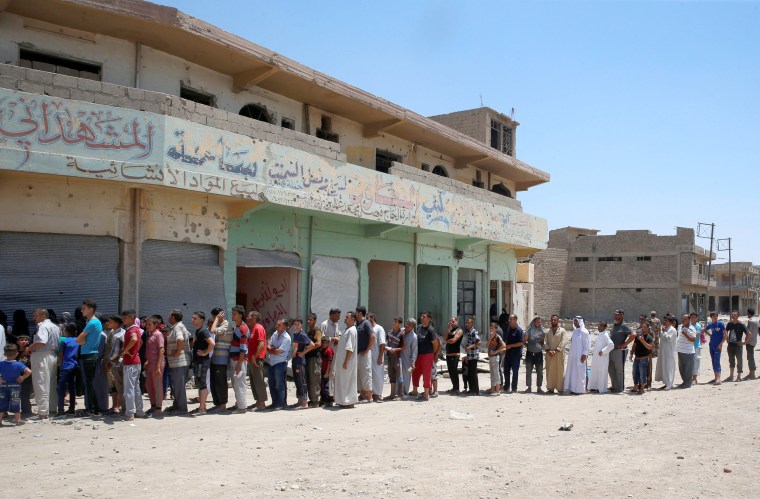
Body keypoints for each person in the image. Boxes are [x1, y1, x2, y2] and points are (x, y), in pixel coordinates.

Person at [29, 308, 60, 419]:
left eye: (35, 316)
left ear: (43, 316)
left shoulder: (43, 326)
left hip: (41, 355)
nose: (34, 318)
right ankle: (52, 408)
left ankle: (42, 412)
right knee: (51, 383)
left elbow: (41, 341)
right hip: (52, 355)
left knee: (41, 383)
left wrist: (29, 348)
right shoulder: (56, 327)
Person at [75, 299, 101, 415]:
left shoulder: (92, 323)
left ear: (91, 309)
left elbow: (78, 339)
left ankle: (90, 409)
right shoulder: (94, 322)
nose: (82, 311)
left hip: (88, 355)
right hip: (91, 354)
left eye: (84, 308)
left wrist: (82, 341)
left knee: (87, 383)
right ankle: (93, 408)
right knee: (89, 383)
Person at [120, 310, 146, 421]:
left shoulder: (131, 330)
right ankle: (139, 411)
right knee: (136, 388)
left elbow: (135, 339)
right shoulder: (137, 329)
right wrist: (135, 351)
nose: (123, 320)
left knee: (129, 388)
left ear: (131, 317)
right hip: (136, 361)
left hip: (130, 363)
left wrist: (125, 350)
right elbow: (140, 342)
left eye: (125, 318)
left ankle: (129, 413)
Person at [165, 309, 191, 414]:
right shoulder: (178, 326)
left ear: (173, 317)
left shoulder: (178, 327)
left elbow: (180, 339)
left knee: (179, 386)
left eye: (169, 315)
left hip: (180, 361)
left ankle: (182, 408)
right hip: (178, 362)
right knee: (176, 385)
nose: (167, 317)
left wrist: (178, 351)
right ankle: (177, 405)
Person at [0, 344, 32, 426]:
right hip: (15, 385)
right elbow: (29, 371)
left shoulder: (1, 364)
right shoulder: (18, 364)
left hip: (3, 385)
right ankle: (18, 420)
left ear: (4, 354)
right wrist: (22, 377)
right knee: (15, 402)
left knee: (2, 402)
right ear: (17, 353)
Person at [411, 311, 439, 401]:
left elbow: (435, 344)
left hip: (427, 354)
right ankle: (415, 390)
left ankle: (426, 394)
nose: (421, 318)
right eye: (422, 316)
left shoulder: (431, 330)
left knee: (426, 374)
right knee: (415, 372)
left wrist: (433, 353)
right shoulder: (419, 327)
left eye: (424, 317)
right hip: (418, 354)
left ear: (429, 319)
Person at [333, 311, 358, 408]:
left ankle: (348, 401)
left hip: (347, 362)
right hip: (342, 361)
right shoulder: (347, 330)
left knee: (347, 381)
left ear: (352, 319)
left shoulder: (351, 331)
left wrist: (346, 361)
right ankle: (342, 400)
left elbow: (350, 348)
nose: (344, 318)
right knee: (342, 381)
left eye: (347, 317)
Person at [191, 311, 214, 415]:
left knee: (202, 384)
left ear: (202, 320)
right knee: (200, 383)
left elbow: (212, 343)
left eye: (195, 318)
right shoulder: (198, 331)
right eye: (193, 318)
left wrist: (205, 353)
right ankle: (202, 406)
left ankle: (202, 408)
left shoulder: (203, 331)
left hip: (202, 362)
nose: (193, 320)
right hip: (198, 361)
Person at [209, 307, 231, 411]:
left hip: (221, 358)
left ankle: (222, 404)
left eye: (214, 317)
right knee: (215, 381)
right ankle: (217, 403)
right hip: (215, 357)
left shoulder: (226, 325)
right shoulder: (219, 325)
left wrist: (217, 319)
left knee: (220, 382)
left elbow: (212, 331)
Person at [228, 305, 249, 413]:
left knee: (240, 383)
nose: (233, 315)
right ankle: (239, 404)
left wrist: (238, 364)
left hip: (239, 360)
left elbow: (243, 349)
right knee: (236, 382)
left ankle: (242, 407)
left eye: (235, 314)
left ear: (240, 315)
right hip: (235, 359)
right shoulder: (237, 327)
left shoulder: (243, 329)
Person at [608, 310, 635, 393]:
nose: (615, 316)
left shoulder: (624, 325)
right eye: (615, 314)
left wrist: (624, 344)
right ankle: (614, 385)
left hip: (619, 351)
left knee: (619, 370)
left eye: (617, 314)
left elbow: (633, 334)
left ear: (621, 315)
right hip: (611, 350)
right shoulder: (614, 324)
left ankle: (620, 387)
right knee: (611, 369)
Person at [267, 318, 291, 410]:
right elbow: (269, 345)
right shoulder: (275, 334)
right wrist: (273, 349)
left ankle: (281, 403)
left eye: (279, 325)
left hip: (280, 363)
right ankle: (274, 402)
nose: (276, 326)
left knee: (279, 384)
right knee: (272, 383)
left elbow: (277, 351)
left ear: (285, 327)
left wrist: (272, 349)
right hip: (272, 362)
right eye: (277, 324)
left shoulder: (287, 338)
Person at [246, 311, 267, 411]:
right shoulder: (253, 328)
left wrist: (254, 357)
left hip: (257, 359)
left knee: (259, 381)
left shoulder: (258, 328)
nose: (247, 318)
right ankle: (258, 402)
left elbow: (261, 344)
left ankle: (262, 404)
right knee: (253, 381)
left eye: (249, 316)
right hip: (252, 359)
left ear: (253, 317)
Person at [291, 318, 315, 410]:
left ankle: (304, 402)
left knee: (302, 381)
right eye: (295, 324)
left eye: (298, 324)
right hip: (295, 360)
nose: (296, 326)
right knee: (297, 381)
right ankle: (299, 401)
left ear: (301, 325)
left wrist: (303, 353)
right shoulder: (295, 334)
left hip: (300, 361)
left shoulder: (302, 334)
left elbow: (312, 345)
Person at [55, 323, 79, 416]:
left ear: (66, 331)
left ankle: (60, 410)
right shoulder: (77, 340)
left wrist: (60, 366)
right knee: (72, 387)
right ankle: (72, 408)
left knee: (60, 387)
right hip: (74, 365)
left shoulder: (64, 341)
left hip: (66, 366)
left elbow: (61, 355)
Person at [103, 315, 125, 415]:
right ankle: (117, 406)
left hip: (114, 363)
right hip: (117, 362)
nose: (108, 323)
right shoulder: (119, 332)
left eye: (110, 321)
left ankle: (117, 407)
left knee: (116, 386)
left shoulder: (117, 334)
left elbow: (114, 351)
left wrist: (108, 361)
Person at [319, 308, 342, 403]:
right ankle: (325, 396)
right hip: (326, 354)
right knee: (326, 374)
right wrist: (333, 338)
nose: (339, 318)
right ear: (331, 315)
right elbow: (323, 338)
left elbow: (339, 334)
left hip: (335, 353)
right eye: (337, 315)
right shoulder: (325, 324)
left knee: (333, 373)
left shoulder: (336, 325)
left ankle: (331, 395)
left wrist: (338, 338)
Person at [143, 317, 165, 415]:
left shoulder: (158, 335)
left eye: (149, 324)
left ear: (155, 325)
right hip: (150, 363)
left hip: (157, 363)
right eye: (146, 324)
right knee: (149, 385)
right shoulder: (150, 334)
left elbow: (161, 350)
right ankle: (153, 405)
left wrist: (158, 367)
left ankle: (158, 407)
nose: (147, 326)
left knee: (157, 385)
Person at [563, 316, 590, 395]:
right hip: (573, 356)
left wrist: (584, 354)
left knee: (580, 372)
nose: (575, 323)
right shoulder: (575, 331)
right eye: (574, 321)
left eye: (576, 321)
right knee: (573, 372)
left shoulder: (585, 332)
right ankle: (573, 388)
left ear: (580, 322)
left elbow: (587, 345)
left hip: (580, 356)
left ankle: (580, 390)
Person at [544, 314, 569, 394]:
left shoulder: (562, 331)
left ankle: (559, 388)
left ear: (557, 321)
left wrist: (556, 350)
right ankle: (550, 388)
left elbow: (564, 341)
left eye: (555, 320)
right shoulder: (547, 331)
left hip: (558, 355)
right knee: (550, 370)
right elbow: (544, 342)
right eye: (552, 320)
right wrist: (548, 350)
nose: (553, 321)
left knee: (559, 371)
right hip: (549, 355)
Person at [354, 307, 375, 403]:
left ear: (360, 313)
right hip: (358, 353)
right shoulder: (358, 324)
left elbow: (373, 336)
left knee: (366, 373)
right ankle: (362, 395)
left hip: (364, 353)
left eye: (356, 312)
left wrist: (367, 349)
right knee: (359, 374)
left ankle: (369, 396)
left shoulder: (366, 323)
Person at [588, 321, 614, 393]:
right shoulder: (600, 334)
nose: (598, 327)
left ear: (605, 327)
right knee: (595, 371)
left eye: (601, 326)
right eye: (598, 325)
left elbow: (611, 345)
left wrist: (603, 351)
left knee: (601, 373)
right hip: (596, 358)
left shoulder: (605, 335)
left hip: (602, 358)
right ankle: (594, 387)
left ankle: (601, 388)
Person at [304, 313, 322, 408]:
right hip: (308, 357)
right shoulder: (308, 331)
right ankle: (312, 400)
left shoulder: (317, 330)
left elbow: (318, 343)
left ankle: (315, 401)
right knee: (309, 379)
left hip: (314, 358)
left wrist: (309, 348)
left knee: (314, 379)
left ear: (315, 320)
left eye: (310, 320)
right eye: (308, 319)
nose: (308, 321)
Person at [654, 315, 678, 390]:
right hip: (664, 352)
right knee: (664, 367)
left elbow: (668, 339)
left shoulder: (672, 330)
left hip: (669, 352)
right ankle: (666, 382)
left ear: (670, 322)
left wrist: (663, 332)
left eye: (666, 321)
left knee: (669, 367)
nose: (664, 322)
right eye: (664, 321)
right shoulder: (666, 329)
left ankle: (669, 384)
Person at [368, 313, 387, 402]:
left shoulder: (379, 328)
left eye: (368, 318)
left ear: (372, 318)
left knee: (378, 375)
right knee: (370, 375)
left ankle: (378, 394)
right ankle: (370, 393)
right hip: (369, 356)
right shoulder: (369, 329)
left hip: (377, 356)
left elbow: (382, 343)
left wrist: (380, 357)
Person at [384, 317, 404, 401]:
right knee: (391, 376)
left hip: (397, 357)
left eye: (396, 322)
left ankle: (400, 395)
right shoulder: (389, 332)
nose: (394, 323)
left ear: (400, 324)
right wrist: (385, 348)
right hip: (390, 357)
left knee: (399, 376)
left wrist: (395, 350)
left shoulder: (401, 334)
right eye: (394, 322)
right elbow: (386, 342)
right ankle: (392, 394)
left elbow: (403, 347)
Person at [523, 316, 545, 393]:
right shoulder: (529, 329)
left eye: (540, 322)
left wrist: (538, 347)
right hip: (530, 353)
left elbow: (542, 341)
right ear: (534, 322)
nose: (540, 323)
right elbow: (524, 341)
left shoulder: (542, 330)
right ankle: (529, 387)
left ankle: (539, 387)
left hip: (539, 353)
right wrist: (529, 346)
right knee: (528, 370)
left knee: (540, 371)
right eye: (538, 322)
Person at [503, 314, 524, 394]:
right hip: (508, 354)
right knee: (506, 370)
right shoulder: (508, 329)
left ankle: (514, 388)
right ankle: (506, 386)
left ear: (515, 320)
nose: (509, 321)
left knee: (515, 371)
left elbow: (521, 343)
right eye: (509, 319)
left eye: (511, 319)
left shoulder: (519, 330)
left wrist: (511, 346)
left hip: (516, 354)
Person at [724, 310, 747, 382]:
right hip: (730, 345)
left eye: (734, 314)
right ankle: (731, 376)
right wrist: (727, 339)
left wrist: (744, 342)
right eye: (732, 314)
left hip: (738, 346)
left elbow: (749, 334)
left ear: (738, 316)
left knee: (739, 360)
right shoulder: (729, 324)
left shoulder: (741, 324)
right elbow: (725, 331)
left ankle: (739, 376)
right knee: (731, 360)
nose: (733, 315)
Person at [631, 321, 653, 394]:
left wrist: (643, 341)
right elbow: (634, 345)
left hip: (644, 358)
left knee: (642, 373)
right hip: (637, 357)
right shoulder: (638, 336)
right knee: (635, 372)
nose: (643, 329)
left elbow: (649, 347)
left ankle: (642, 388)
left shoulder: (649, 337)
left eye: (644, 327)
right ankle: (635, 386)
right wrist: (631, 352)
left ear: (648, 328)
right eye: (642, 327)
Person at [443, 316, 464, 394]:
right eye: (450, 321)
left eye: (453, 321)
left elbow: (454, 340)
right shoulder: (450, 330)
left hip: (455, 353)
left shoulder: (459, 330)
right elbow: (445, 338)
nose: (451, 323)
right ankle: (454, 387)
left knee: (454, 371)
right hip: (448, 353)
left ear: (457, 321)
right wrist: (447, 328)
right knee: (450, 371)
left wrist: (446, 341)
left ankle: (457, 388)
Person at [705, 312, 727, 385]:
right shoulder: (711, 325)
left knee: (717, 361)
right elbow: (705, 329)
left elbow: (725, 335)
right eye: (714, 316)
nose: (715, 317)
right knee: (713, 361)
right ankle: (715, 378)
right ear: (711, 317)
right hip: (712, 345)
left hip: (718, 346)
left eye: (716, 316)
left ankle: (719, 379)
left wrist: (720, 344)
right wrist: (710, 335)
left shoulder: (720, 324)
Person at [462, 316, 482, 395]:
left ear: (472, 324)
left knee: (473, 373)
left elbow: (479, 342)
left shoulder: (474, 332)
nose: (467, 324)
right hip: (469, 355)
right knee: (470, 373)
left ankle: (475, 390)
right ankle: (471, 389)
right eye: (466, 323)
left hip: (474, 355)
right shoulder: (468, 332)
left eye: (468, 323)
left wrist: (470, 347)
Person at [676, 314, 697, 389]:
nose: (683, 320)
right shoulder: (680, 326)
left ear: (688, 320)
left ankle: (688, 383)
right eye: (682, 318)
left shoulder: (691, 328)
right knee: (682, 368)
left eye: (684, 319)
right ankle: (684, 382)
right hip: (680, 350)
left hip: (688, 352)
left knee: (688, 369)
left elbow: (693, 339)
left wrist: (686, 335)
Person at [399, 318, 418, 397]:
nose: (407, 326)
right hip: (399, 357)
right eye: (407, 323)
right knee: (398, 374)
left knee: (407, 375)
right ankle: (398, 392)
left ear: (412, 327)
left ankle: (405, 392)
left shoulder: (414, 336)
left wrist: (413, 363)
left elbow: (414, 350)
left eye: (409, 325)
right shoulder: (401, 331)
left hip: (408, 360)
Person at [15, 335, 32, 417]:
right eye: (21, 340)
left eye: (26, 340)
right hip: (17, 376)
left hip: (27, 376)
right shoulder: (16, 353)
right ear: (17, 342)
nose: (24, 341)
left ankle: (27, 412)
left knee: (24, 394)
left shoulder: (29, 352)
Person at [487, 322, 506, 395]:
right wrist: (490, 338)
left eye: (492, 328)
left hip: (495, 357)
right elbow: (487, 345)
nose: (491, 329)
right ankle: (492, 389)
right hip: (490, 357)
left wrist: (495, 352)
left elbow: (504, 345)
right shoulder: (491, 337)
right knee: (492, 373)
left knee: (496, 373)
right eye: (490, 328)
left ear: (496, 329)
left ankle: (497, 389)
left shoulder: (497, 337)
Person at [647, 311, 662, 389]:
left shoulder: (650, 320)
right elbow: (659, 327)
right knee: (656, 344)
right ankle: (656, 353)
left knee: (652, 344)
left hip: (652, 333)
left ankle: (653, 353)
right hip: (656, 333)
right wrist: (659, 334)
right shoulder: (658, 320)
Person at [319, 337, 334, 406]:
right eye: (323, 342)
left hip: (326, 371)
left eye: (326, 342)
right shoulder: (322, 350)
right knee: (322, 386)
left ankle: (329, 401)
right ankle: (323, 400)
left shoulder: (329, 350)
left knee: (326, 386)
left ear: (328, 343)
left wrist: (327, 372)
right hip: (322, 370)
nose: (324, 344)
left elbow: (329, 362)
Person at [689, 312, 703, 384]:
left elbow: (696, 335)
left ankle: (694, 378)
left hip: (696, 346)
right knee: (690, 363)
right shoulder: (689, 325)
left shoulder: (698, 326)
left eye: (694, 317)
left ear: (696, 318)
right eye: (692, 317)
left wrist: (687, 335)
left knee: (696, 362)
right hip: (689, 346)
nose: (693, 318)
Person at [744, 308, 758, 380]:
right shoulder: (756, 320)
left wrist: (745, 342)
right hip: (754, 341)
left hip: (750, 341)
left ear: (748, 313)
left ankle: (752, 374)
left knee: (750, 357)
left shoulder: (750, 321)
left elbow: (748, 333)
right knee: (750, 356)